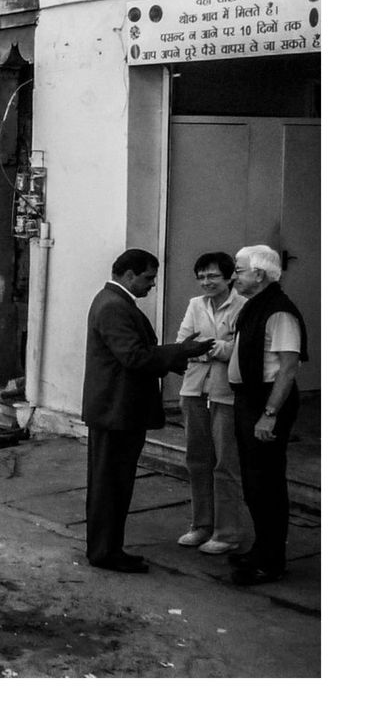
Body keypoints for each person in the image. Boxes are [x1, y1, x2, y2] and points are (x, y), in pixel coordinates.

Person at [82, 248, 213, 573]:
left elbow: (136, 354)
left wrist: (173, 358)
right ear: (129, 275)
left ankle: (105, 548)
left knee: (111, 483)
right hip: (117, 411)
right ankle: (105, 551)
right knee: (111, 485)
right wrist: (180, 351)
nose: (152, 284)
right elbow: (133, 356)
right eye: (148, 278)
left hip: (116, 410)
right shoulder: (114, 306)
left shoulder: (114, 302)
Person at [226, 244, 309, 586]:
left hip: (266, 404)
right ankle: (261, 549)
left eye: (239, 270)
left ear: (259, 274)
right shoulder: (254, 306)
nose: (233, 276)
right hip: (248, 400)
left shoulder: (279, 312)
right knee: (253, 482)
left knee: (267, 483)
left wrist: (269, 414)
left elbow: (287, 369)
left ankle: (271, 561)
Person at [172, 252, 247, 556]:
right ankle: (201, 525)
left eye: (213, 276)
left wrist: (208, 348)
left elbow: (241, 350)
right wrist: (215, 348)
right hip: (194, 390)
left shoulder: (244, 305)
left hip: (226, 393)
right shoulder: (195, 304)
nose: (206, 282)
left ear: (229, 277)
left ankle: (227, 533)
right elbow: (183, 345)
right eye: (201, 276)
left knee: (225, 463)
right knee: (197, 460)